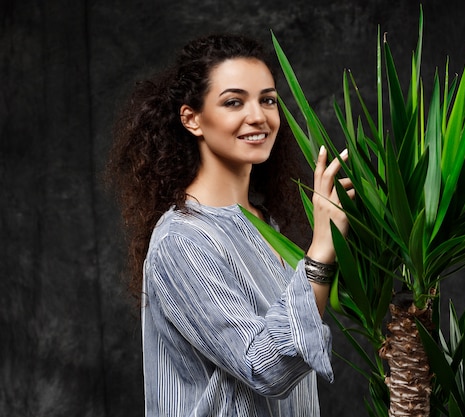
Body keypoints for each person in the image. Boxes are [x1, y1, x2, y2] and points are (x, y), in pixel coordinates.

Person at [107, 33, 354, 417]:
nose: (258, 116)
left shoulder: (263, 224)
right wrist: (321, 250)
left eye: (267, 100)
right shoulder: (181, 240)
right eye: (234, 102)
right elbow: (265, 368)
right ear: (192, 119)